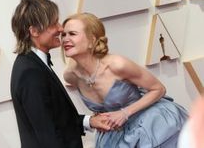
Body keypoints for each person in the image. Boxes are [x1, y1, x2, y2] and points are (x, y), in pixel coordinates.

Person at [61, 12, 188, 148]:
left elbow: (159, 89)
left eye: (72, 34)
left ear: (92, 40)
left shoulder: (117, 65)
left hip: (151, 127)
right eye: (63, 34)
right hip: (116, 137)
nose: (65, 39)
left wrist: (124, 113)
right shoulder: (71, 75)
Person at [10, 0, 110, 148]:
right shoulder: (30, 73)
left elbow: (56, 118)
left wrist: (89, 121)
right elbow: (48, 135)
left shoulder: (33, 64)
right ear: (34, 31)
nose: (60, 29)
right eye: (53, 24)